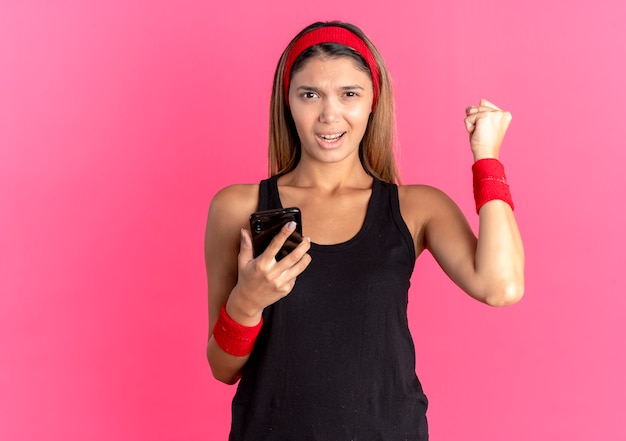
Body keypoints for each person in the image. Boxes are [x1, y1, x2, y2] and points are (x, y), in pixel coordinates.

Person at [205, 21, 524, 440]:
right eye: (310, 94)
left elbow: (501, 287)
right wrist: (247, 302)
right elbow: (222, 368)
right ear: (288, 102)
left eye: (349, 94)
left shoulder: (416, 207)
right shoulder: (237, 207)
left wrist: (487, 159)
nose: (328, 114)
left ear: (374, 101)